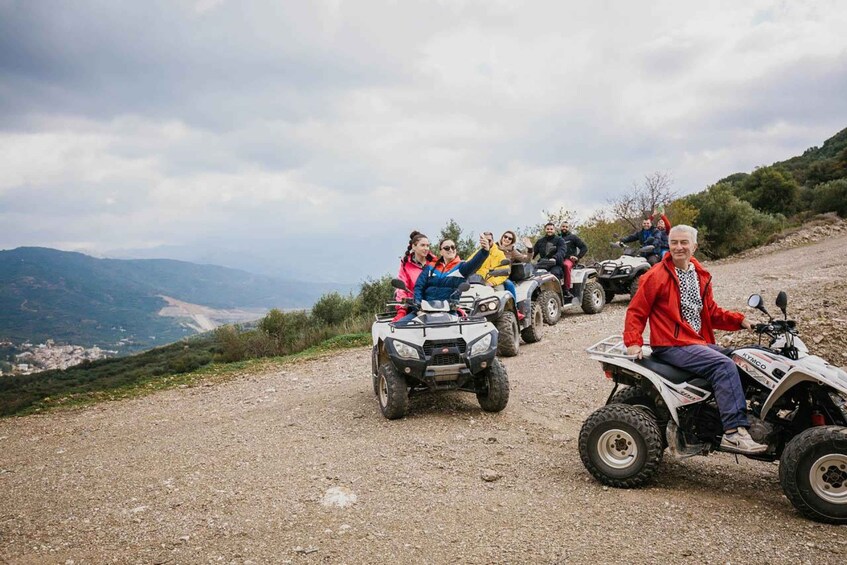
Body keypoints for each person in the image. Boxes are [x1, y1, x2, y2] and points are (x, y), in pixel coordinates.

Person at [623, 224, 767, 455]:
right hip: (671, 344)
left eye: (684, 242)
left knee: (743, 359)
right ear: (668, 245)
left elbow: (709, 311)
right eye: (674, 243)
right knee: (723, 366)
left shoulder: (699, 275)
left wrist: (739, 321)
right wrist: (633, 341)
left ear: (694, 246)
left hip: (696, 342)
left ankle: (718, 416)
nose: (678, 247)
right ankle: (734, 432)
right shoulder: (655, 276)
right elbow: (637, 311)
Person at [395, 235, 491, 324]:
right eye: (447, 248)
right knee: (397, 327)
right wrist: (418, 308)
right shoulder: (430, 267)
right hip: (424, 311)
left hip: (449, 312)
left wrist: (484, 250)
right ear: (441, 252)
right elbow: (418, 287)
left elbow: (474, 263)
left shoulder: (461, 267)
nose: (450, 250)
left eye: (453, 247)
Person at [392, 231, 434, 321]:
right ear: (413, 247)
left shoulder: (436, 263)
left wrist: (456, 307)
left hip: (436, 306)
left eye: (427, 245)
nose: (426, 248)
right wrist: (402, 310)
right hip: (415, 307)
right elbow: (402, 289)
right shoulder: (405, 265)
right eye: (422, 245)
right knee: (399, 326)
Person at [559, 221, 588, 298]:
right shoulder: (557, 238)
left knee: (565, 265)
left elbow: (584, 247)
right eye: (563, 226)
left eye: (566, 227)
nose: (564, 228)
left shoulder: (573, 237)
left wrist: (578, 257)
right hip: (559, 259)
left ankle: (566, 290)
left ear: (569, 228)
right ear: (560, 228)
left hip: (570, 260)